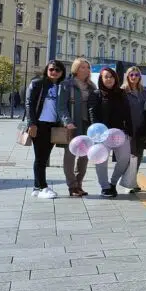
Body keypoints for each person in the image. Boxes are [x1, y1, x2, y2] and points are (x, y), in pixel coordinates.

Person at [25, 60, 75, 199]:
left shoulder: (61, 86)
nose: (54, 72)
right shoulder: (37, 83)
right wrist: (31, 123)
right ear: (47, 69)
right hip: (39, 124)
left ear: (62, 73)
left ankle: (36, 187)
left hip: (53, 125)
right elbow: (29, 104)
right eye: (52, 69)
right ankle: (43, 187)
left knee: (44, 157)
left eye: (58, 70)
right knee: (41, 157)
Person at [89, 67, 133, 198]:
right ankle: (105, 187)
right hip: (101, 134)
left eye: (111, 76)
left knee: (125, 159)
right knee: (101, 160)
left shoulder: (121, 93)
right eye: (106, 77)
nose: (109, 79)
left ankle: (113, 183)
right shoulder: (96, 94)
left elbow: (127, 112)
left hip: (119, 133)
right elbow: (92, 113)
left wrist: (129, 131)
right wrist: (95, 131)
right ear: (101, 79)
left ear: (115, 78)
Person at [62, 58, 95, 197]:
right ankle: (72, 185)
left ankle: (79, 184)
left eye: (88, 67)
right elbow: (61, 106)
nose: (86, 70)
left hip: (88, 125)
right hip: (73, 125)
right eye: (82, 67)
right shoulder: (67, 84)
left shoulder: (91, 86)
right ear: (76, 69)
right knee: (70, 156)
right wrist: (67, 121)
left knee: (84, 156)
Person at [121, 66, 146, 194]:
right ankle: (127, 181)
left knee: (138, 156)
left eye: (136, 75)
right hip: (128, 128)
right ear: (127, 76)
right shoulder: (123, 91)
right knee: (129, 156)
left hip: (141, 128)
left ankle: (132, 181)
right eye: (131, 75)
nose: (134, 77)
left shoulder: (144, 91)